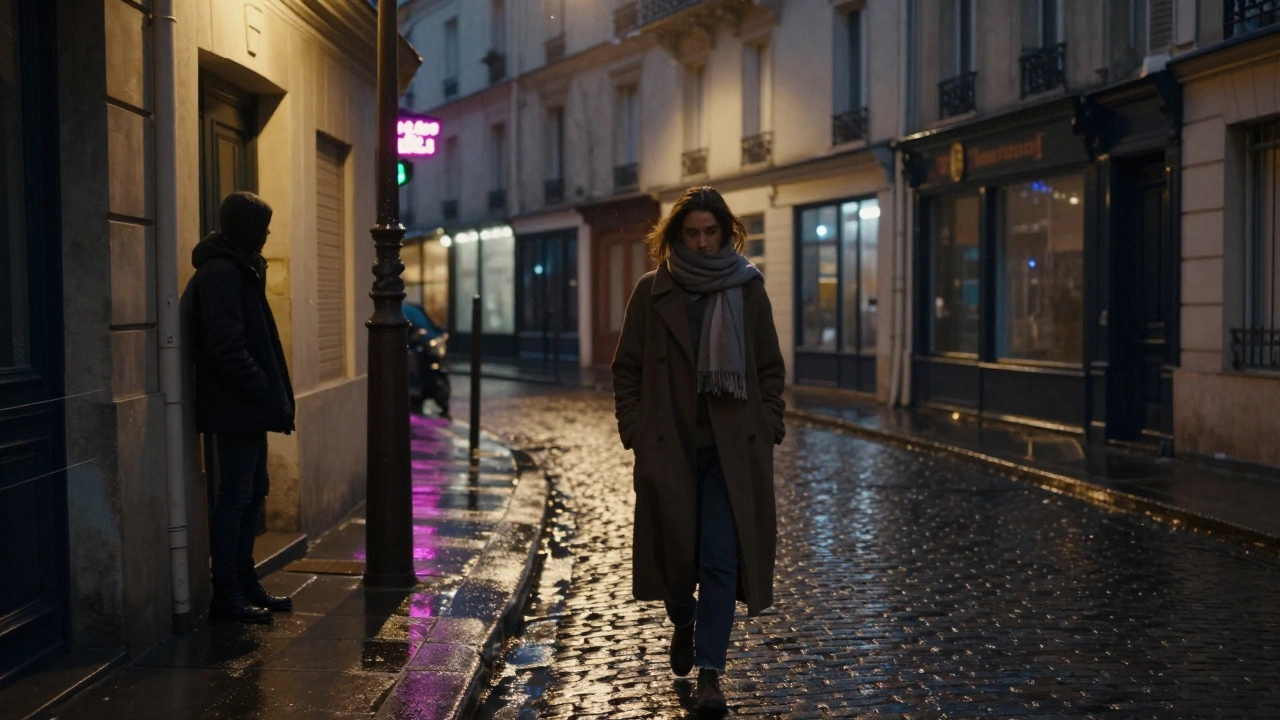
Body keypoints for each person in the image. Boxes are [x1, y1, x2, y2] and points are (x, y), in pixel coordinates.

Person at [611, 186, 786, 715]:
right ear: (677, 235)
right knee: (675, 556)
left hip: (731, 453)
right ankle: (682, 621)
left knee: (718, 560)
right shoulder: (652, 291)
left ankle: (711, 674)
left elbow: (769, 367)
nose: (704, 243)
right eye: (694, 233)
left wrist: (769, 422)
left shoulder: (747, 288)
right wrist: (637, 429)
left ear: (726, 232)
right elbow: (628, 369)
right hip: (670, 448)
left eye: (712, 232)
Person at [189, 191, 296, 624]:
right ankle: (226, 595)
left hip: (247, 406)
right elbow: (226, 348)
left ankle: (246, 582)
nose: (268, 234)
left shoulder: (240, 268)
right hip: (236, 406)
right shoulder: (221, 274)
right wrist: (264, 389)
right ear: (248, 228)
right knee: (234, 498)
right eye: (264, 226)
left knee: (253, 494)